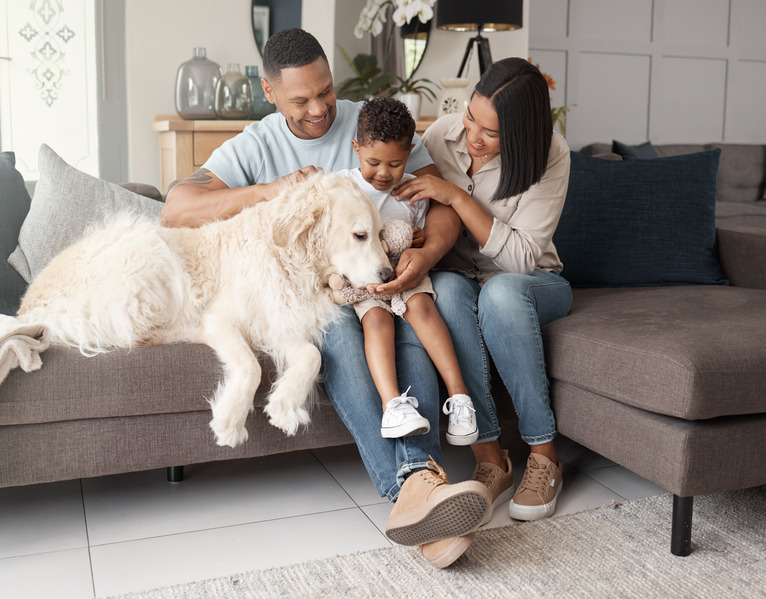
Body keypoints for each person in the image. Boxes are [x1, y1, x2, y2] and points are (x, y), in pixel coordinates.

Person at [162, 28, 490, 569]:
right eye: (301, 99)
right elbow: (176, 207)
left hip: (390, 275)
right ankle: (420, 483)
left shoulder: (371, 124)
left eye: (326, 92)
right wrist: (272, 191)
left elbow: (442, 202)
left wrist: (426, 255)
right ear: (269, 92)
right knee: (340, 329)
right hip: (321, 296)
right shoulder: (257, 143)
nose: (319, 109)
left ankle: (423, 493)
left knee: (408, 316)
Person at [393, 57, 573, 526]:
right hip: (461, 277)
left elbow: (519, 259)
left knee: (500, 295)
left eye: (491, 133)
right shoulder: (440, 137)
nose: (473, 135)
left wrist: (457, 197)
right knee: (446, 295)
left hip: (534, 284)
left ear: (521, 133)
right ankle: (491, 460)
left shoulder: (551, 154)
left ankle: (545, 454)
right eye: (472, 118)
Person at [336, 96, 478, 445]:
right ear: (356, 149)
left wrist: (417, 237)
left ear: (410, 152)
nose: (384, 174)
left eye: (395, 164)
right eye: (373, 162)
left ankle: (460, 399)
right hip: (368, 281)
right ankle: (392, 406)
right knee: (376, 320)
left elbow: (422, 233)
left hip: (406, 274)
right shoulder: (342, 187)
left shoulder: (413, 189)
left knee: (423, 308)